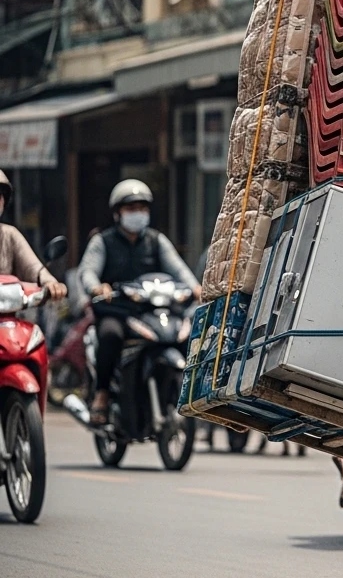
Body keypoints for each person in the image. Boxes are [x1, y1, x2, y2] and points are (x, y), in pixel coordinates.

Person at [77, 180, 200, 426]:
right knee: (110, 336)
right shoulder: (103, 241)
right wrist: (97, 287)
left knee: (187, 334)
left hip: (152, 311)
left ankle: (196, 393)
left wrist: (196, 287)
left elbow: (179, 270)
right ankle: (102, 394)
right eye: (131, 208)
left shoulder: (156, 240)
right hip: (118, 312)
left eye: (142, 208)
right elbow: (87, 272)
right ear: (117, 213)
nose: (138, 213)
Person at [0, 170, 66, 300]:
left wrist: (49, 282)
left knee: (32, 322)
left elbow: (33, 267)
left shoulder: (9, 234)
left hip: (5, 313)